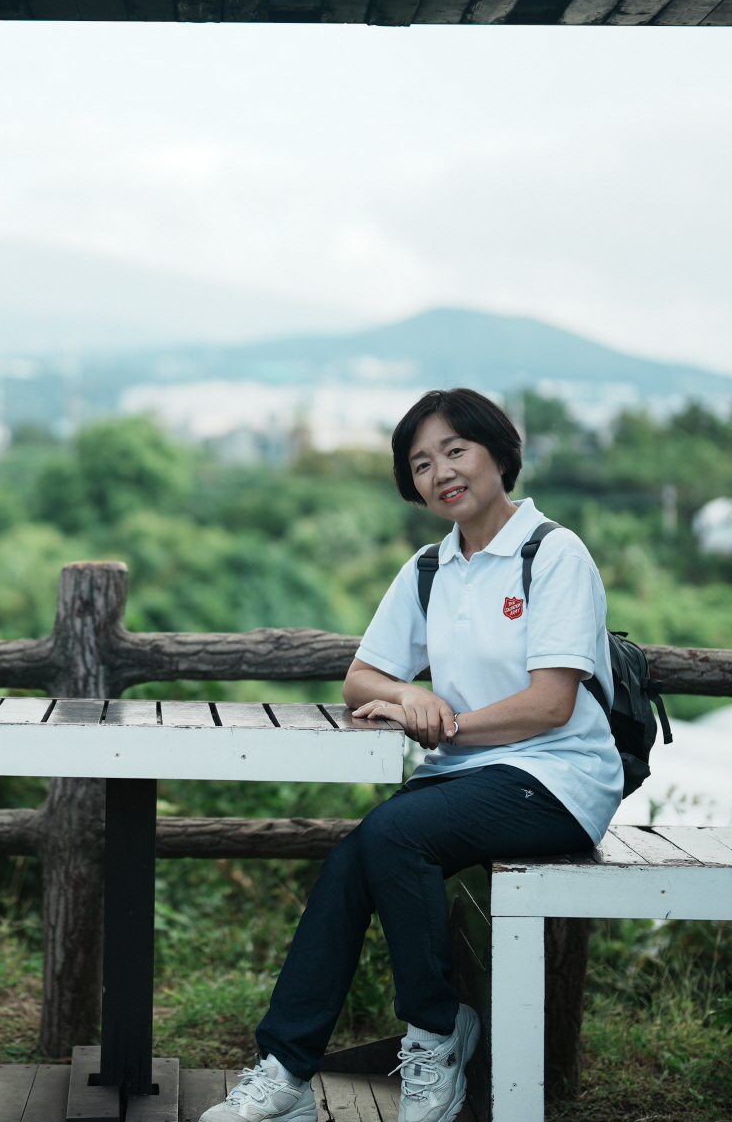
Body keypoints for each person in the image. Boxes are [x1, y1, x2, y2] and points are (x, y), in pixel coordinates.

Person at [201, 388, 621, 1122]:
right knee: (353, 859)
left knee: (392, 835)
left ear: (500, 454)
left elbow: (551, 704)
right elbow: (361, 677)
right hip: (466, 778)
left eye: (456, 451)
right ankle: (287, 1072)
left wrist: (445, 723)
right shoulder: (431, 568)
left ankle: (435, 1029)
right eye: (422, 464)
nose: (441, 473)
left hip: (558, 777)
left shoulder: (554, 554)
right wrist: (406, 693)